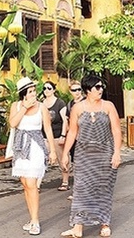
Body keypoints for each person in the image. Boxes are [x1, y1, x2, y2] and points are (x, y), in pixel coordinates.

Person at [60, 75, 122, 238]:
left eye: (102, 87)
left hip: (104, 152)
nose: (101, 90)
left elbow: (116, 130)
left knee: (103, 188)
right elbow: (72, 132)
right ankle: (78, 227)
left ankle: (104, 224)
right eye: (97, 87)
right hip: (84, 153)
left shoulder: (108, 106)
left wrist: (117, 153)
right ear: (88, 90)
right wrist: (65, 153)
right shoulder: (78, 108)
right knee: (81, 189)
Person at [9, 77, 57, 236]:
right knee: (25, 183)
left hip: (36, 146)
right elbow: (13, 123)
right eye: (29, 92)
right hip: (21, 147)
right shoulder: (15, 106)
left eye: (34, 91)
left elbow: (48, 129)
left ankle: (35, 221)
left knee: (32, 183)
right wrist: (24, 108)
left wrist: (52, 150)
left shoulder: (42, 107)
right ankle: (31, 218)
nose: (33, 94)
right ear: (23, 94)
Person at [40, 81, 68, 192]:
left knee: (62, 159)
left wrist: (63, 135)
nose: (46, 90)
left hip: (57, 135)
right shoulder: (41, 103)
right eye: (44, 88)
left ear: (54, 90)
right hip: (44, 136)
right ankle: (37, 183)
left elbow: (65, 120)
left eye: (49, 88)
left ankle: (65, 181)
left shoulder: (60, 103)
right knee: (41, 160)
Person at [65, 80, 84, 200]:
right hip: (74, 137)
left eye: (79, 89)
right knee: (76, 164)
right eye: (74, 90)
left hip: (84, 137)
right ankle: (77, 190)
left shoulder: (86, 103)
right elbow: (67, 121)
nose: (77, 92)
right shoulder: (70, 105)